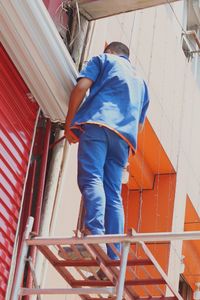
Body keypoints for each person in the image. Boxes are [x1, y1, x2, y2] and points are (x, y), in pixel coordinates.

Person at [64, 41, 149, 260]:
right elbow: (139, 126)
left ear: (109, 51)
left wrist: (69, 123)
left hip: (98, 125)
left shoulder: (103, 59)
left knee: (91, 177)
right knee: (113, 193)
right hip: (123, 141)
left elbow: (81, 87)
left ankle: (94, 236)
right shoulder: (141, 84)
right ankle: (113, 254)